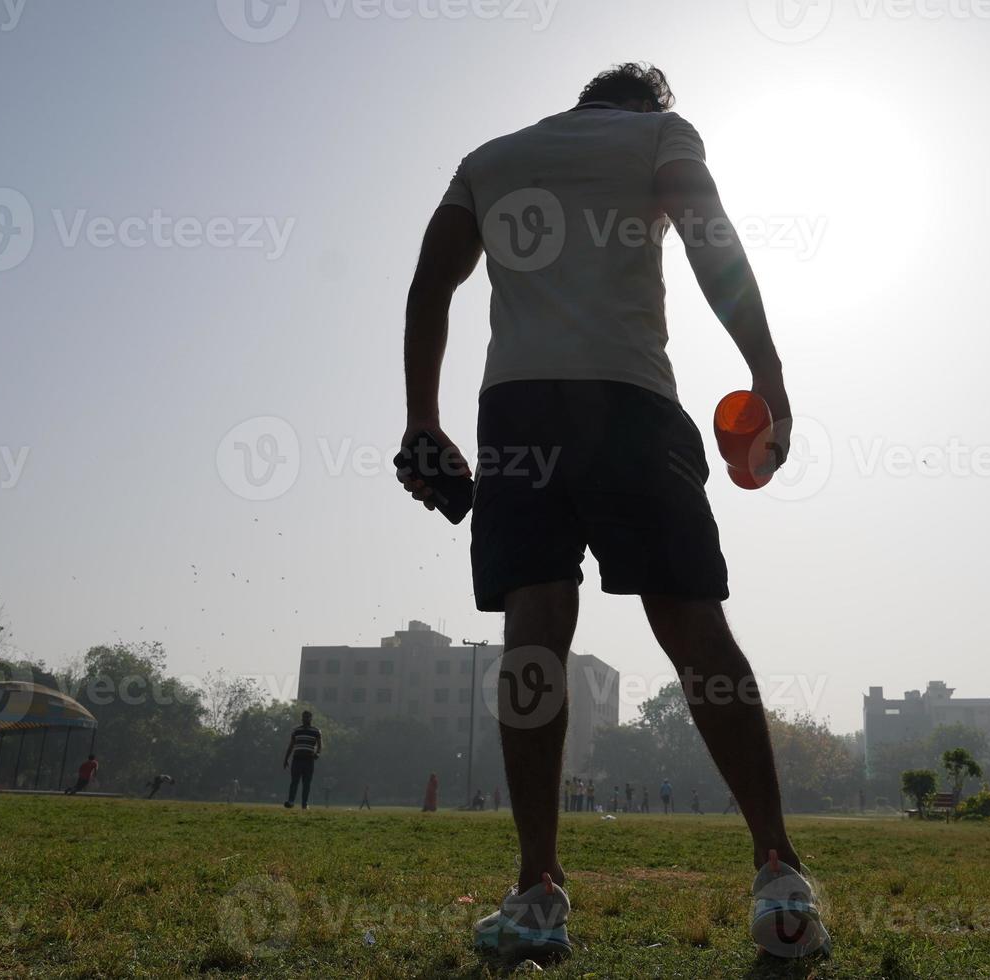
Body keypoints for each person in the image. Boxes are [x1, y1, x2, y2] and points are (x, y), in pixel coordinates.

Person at [400, 62, 829, 962]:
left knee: (535, 635)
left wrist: (422, 422)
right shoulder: (663, 135)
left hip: (518, 413)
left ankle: (535, 890)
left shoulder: (489, 155)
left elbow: (430, 287)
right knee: (694, 630)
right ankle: (779, 873)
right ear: (650, 103)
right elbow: (712, 242)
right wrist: (771, 375)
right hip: (632, 403)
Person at [282, 710, 322, 810]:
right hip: (297, 759)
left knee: (306, 783)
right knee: (294, 781)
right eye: (304, 717)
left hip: (309, 759)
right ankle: (291, 801)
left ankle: (304, 803)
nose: (305, 719)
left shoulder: (316, 731)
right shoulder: (296, 731)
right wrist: (286, 758)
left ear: (311, 718)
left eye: (307, 717)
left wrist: (317, 753)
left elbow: (320, 746)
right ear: (302, 718)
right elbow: (291, 745)